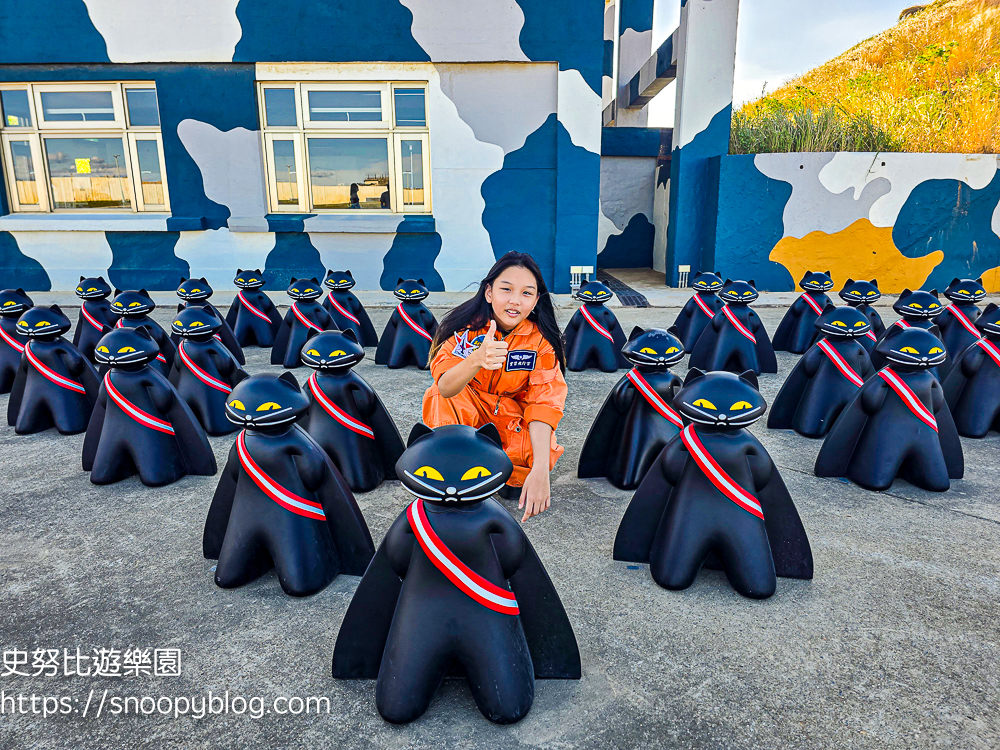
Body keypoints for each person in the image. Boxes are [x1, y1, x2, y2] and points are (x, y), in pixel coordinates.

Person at [422, 252, 567, 522]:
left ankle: (503, 467)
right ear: (489, 292)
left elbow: (544, 404)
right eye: (506, 289)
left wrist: (539, 470)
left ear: (536, 300)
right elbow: (445, 387)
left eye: (526, 293)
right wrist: (476, 359)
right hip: (469, 414)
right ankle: (453, 466)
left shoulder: (541, 343)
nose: (515, 300)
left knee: (535, 460)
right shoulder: (464, 331)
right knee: (439, 397)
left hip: (512, 418)